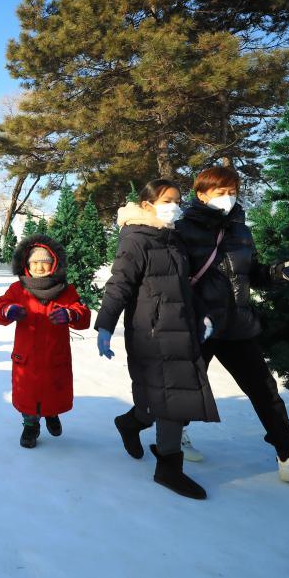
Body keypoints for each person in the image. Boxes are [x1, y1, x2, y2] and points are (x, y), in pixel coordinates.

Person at [175, 166, 289, 486]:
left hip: (237, 326)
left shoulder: (241, 231)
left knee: (265, 391)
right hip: (201, 326)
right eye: (220, 192)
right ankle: (171, 435)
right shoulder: (182, 231)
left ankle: (288, 457)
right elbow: (172, 281)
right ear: (201, 195)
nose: (228, 197)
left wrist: (286, 272)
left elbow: (255, 274)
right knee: (187, 387)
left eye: (232, 190)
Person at [96, 179, 219, 500]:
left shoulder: (173, 238)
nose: (175, 206)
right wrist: (105, 326)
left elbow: (185, 285)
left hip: (180, 327)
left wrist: (202, 313)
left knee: (165, 397)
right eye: (168, 200)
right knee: (172, 399)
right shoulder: (136, 240)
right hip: (151, 332)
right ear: (148, 204)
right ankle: (169, 468)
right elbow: (118, 284)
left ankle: (131, 423)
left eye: (178, 200)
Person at [0, 234, 90, 450]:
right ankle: (30, 426)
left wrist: (70, 314)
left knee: (52, 389)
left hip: (54, 354)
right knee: (28, 392)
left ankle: (51, 413)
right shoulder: (17, 290)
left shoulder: (66, 290)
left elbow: (82, 314)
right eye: (35, 262)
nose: (39, 267)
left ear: (54, 264)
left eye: (44, 262)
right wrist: (8, 310)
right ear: (26, 264)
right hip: (26, 355)